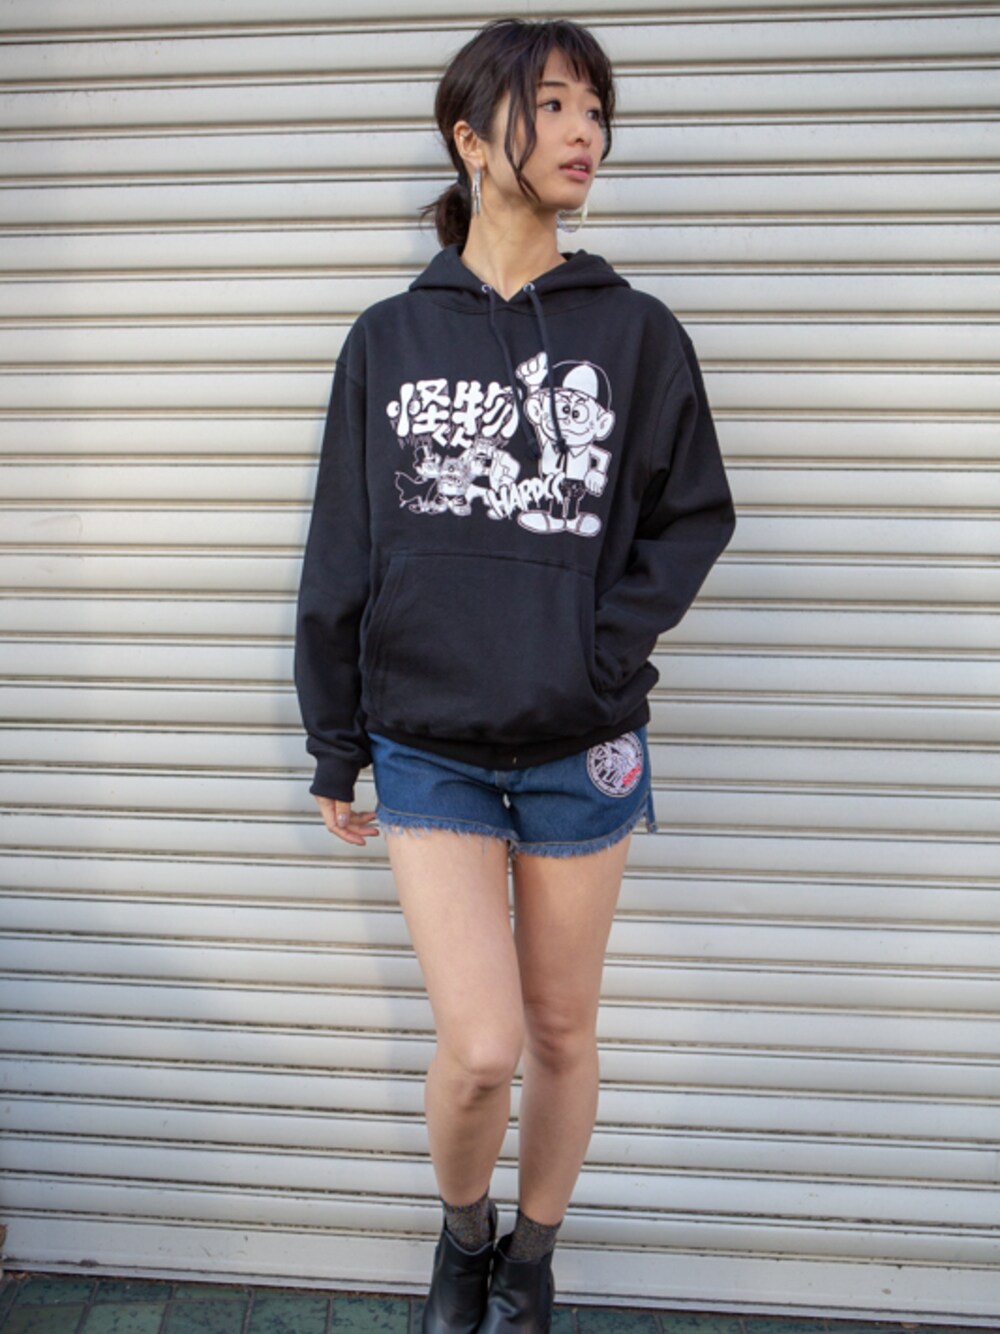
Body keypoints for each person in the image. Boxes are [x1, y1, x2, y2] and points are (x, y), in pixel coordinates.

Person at [294, 16, 736, 1333]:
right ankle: (464, 1233)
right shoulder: (388, 339)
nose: (584, 131)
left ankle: (531, 1259)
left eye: (596, 108)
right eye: (552, 104)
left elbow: (695, 517)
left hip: (579, 740)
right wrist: (336, 739)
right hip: (427, 738)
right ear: (472, 138)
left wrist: (599, 644)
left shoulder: (636, 333)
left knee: (560, 1031)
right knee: (481, 1047)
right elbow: (341, 547)